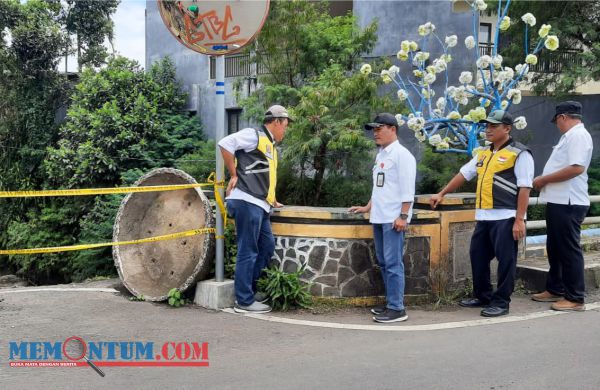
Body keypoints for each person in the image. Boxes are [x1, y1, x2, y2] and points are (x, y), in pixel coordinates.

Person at [430, 110, 534, 317]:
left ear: (507, 128)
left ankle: (502, 302)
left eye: (494, 126)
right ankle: (483, 296)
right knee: (477, 256)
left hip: (506, 216)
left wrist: (519, 219)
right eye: (487, 126)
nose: (488, 130)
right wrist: (441, 193)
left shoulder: (519, 153)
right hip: (484, 217)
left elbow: (525, 188)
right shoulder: (484, 153)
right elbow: (464, 174)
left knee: (506, 261)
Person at [218, 105, 291, 314]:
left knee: (267, 246)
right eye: (284, 125)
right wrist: (233, 174)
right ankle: (244, 300)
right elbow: (225, 144)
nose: (285, 130)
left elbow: (264, 174)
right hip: (246, 200)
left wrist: (272, 199)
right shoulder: (254, 135)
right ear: (276, 121)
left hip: (261, 204)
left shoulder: (270, 145)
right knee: (248, 250)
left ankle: (248, 291)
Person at [349, 113, 416, 323]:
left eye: (379, 129)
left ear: (393, 129)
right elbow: (380, 185)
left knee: (394, 263)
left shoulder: (402, 155)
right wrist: (367, 206)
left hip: (393, 218)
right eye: (374, 129)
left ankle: (397, 308)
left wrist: (403, 216)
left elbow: (408, 189)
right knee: (385, 262)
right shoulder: (382, 154)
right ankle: (390, 304)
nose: (375, 133)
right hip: (379, 216)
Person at [531, 101, 593, 311]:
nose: (557, 125)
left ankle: (575, 297)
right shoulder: (570, 136)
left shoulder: (578, 135)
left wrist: (544, 179)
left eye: (557, 121)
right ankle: (555, 288)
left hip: (569, 202)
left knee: (568, 250)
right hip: (559, 201)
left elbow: (576, 168)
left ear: (563, 117)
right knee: (555, 248)